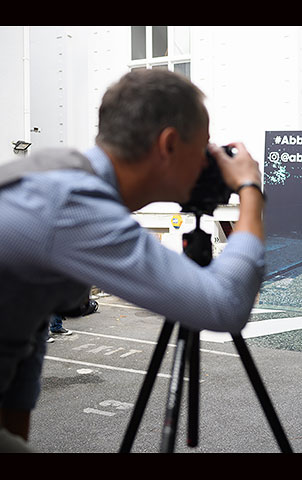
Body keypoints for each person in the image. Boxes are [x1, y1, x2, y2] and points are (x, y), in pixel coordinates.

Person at [0, 69, 265, 450]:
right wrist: (250, 189)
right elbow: (224, 305)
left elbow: (26, 335)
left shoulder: (55, 172)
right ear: (169, 145)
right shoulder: (74, 206)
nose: (210, 163)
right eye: (204, 149)